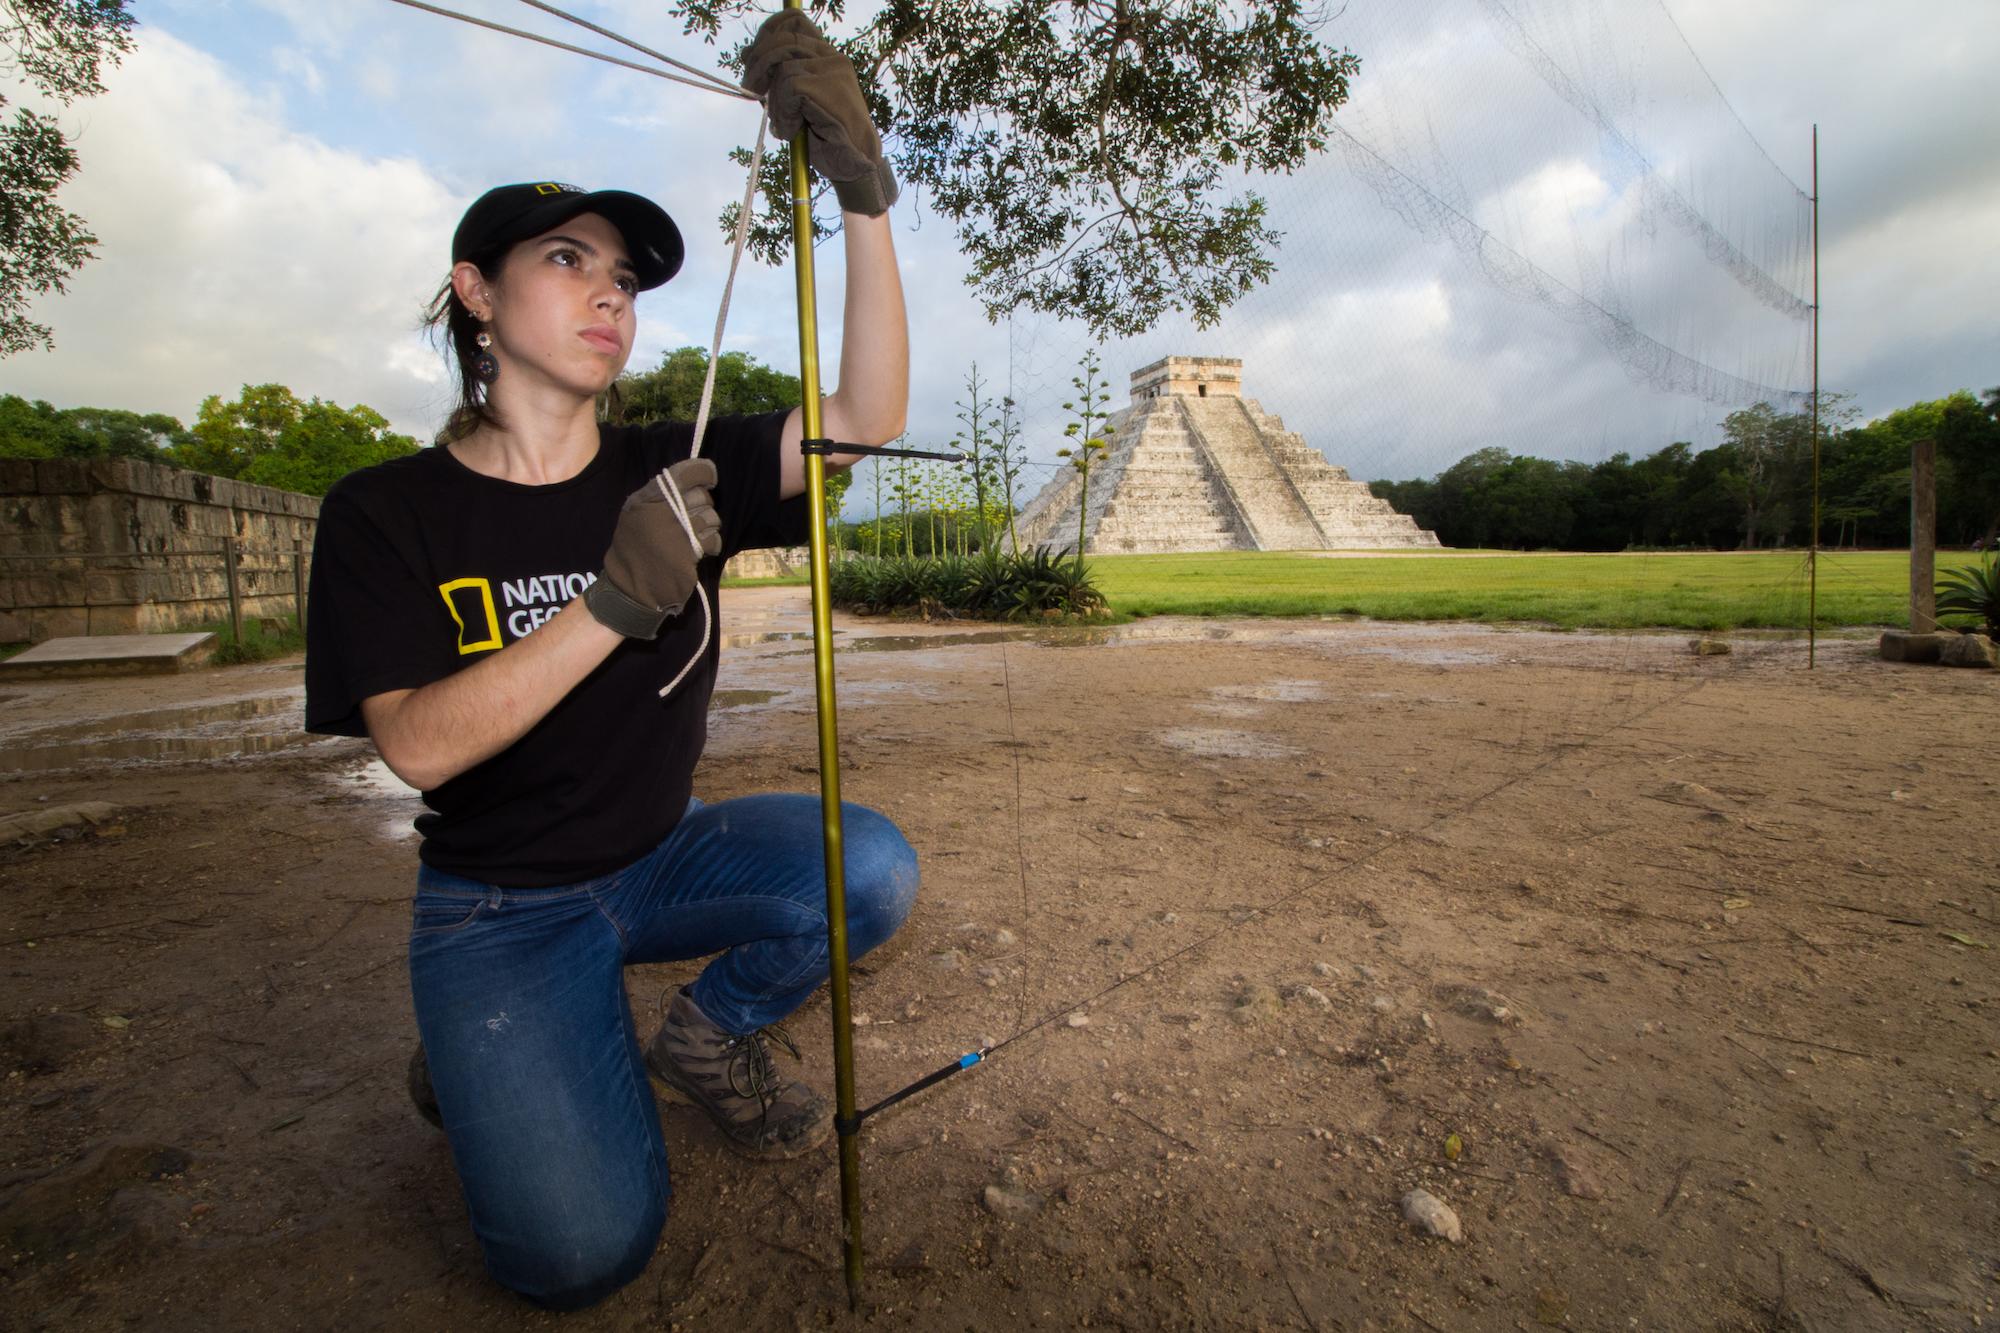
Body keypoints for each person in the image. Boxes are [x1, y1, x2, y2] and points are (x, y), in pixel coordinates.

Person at [302, 13, 915, 1311]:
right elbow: (413, 741)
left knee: (869, 869)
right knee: (584, 1254)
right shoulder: (382, 511)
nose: (607, 295)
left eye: (626, 281)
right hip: (500, 906)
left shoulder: (673, 467)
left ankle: (706, 1036)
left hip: (660, 853)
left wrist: (863, 192)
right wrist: (611, 601)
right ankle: (478, 1053)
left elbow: (863, 419)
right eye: (568, 260)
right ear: (476, 290)